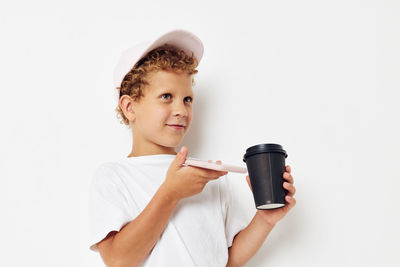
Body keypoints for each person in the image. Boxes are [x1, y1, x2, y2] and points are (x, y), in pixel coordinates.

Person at [88, 28, 297, 267]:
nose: (181, 110)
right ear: (129, 107)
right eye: (166, 96)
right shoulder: (114, 177)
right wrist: (171, 193)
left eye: (187, 99)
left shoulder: (209, 177)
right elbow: (118, 260)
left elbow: (228, 259)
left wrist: (265, 219)